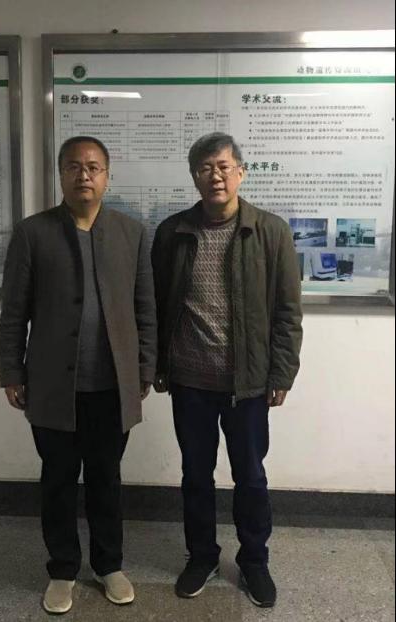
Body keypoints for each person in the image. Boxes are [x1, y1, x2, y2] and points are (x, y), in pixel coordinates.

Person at [0, 136, 157, 615]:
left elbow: (145, 309)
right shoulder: (33, 233)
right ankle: (63, 569)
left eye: (93, 167)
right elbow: (14, 312)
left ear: (107, 175)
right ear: (61, 174)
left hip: (112, 387)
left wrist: (144, 368)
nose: (83, 175)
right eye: (73, 167)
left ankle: (109, 565)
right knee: (58, 481)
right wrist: (11, 369)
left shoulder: (132, 233)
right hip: (52, 386)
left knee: (107, 479)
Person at [151, 132, 302, 609]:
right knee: (196, 475)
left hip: (249, 383)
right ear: (194, 177)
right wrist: (158, 365)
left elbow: (287, 312)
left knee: (250, 476)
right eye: (204, 168)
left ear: (241, 171)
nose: (215, 176)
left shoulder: (270, 231)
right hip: (189, 381)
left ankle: (254, 560)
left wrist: (281, 373)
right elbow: (157, 305)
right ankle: (202, 556)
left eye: (223, 166)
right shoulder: (172, 232)